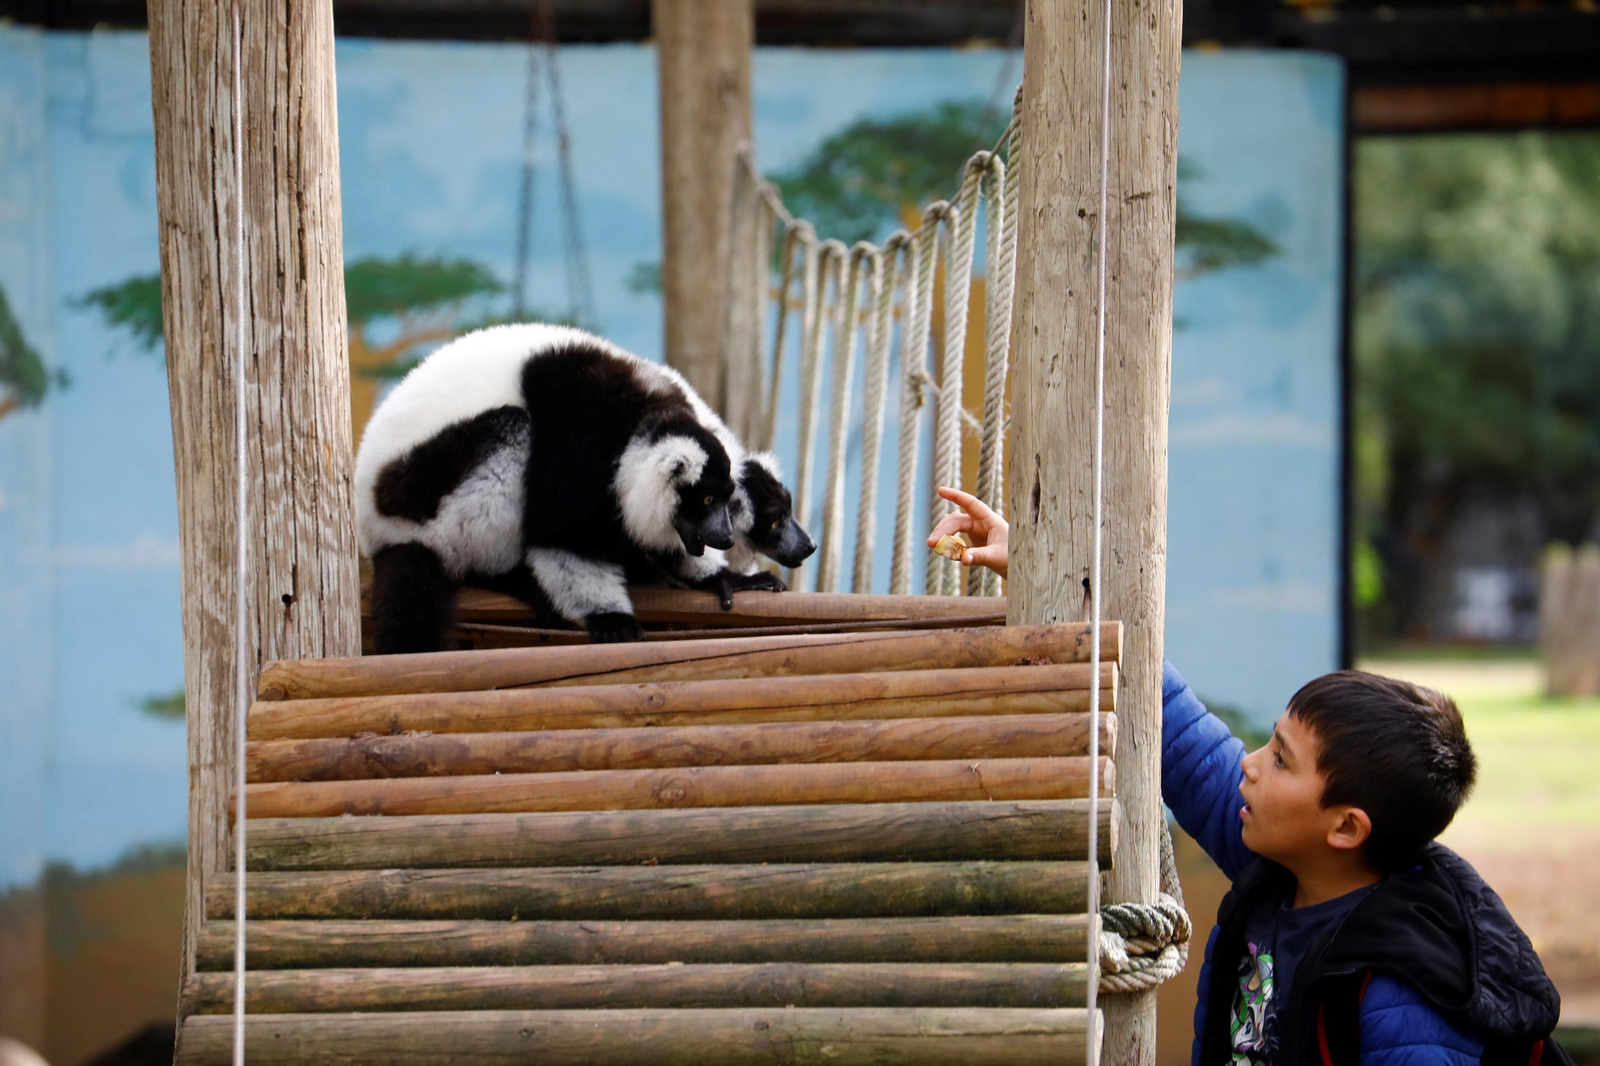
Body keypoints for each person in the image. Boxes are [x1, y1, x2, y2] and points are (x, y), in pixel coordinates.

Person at [928, 487, 1568, 1065]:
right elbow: (1175, 728)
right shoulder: (1285, 863)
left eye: (1281, 759)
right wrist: (1045, 571)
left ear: (1346, 828)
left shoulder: (1405, 993)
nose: (1252, 765)